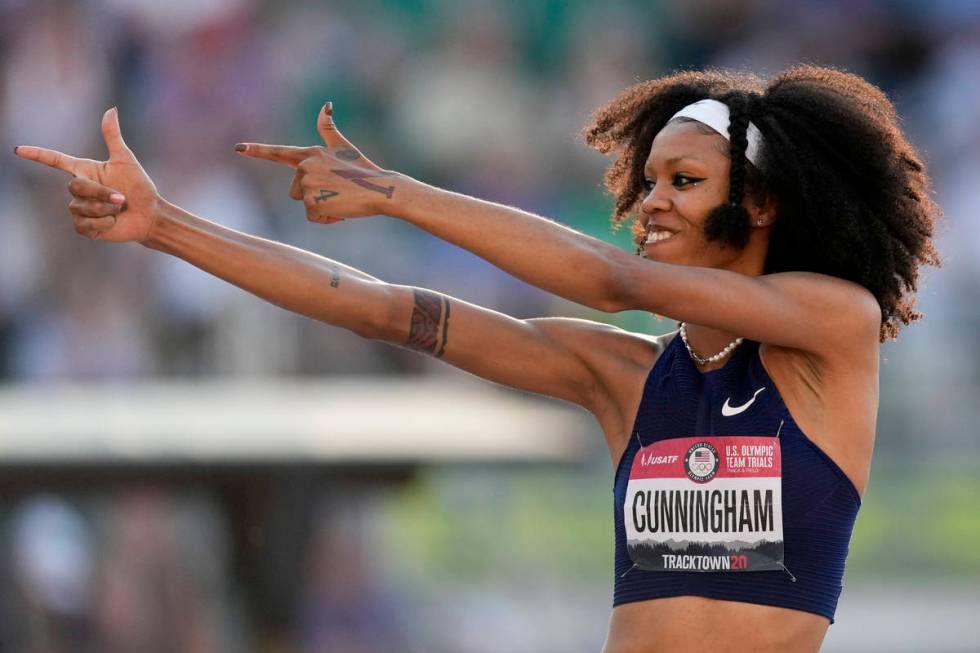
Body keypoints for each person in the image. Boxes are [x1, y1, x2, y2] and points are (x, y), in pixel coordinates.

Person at [15, 64, 940, 652]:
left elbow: (611, 279)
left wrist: (396, 192)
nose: (651, 201)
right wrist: (167, 227)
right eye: (648, 178)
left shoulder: (834, 327)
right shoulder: (627, 379)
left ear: (765, 206)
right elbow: (385, 311)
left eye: (684, 182)